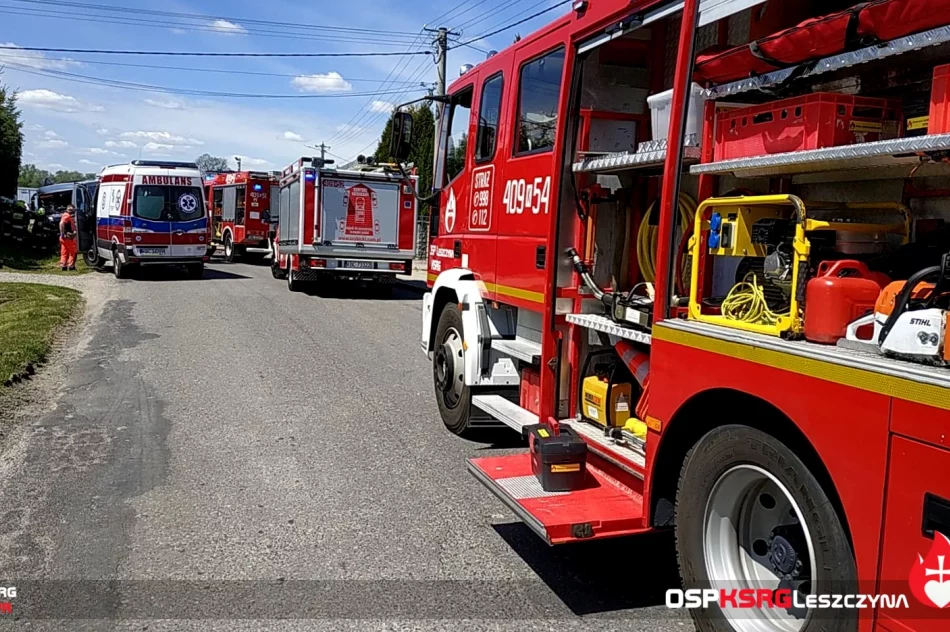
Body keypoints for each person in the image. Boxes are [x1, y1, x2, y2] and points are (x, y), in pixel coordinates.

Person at [59, 204, 78, 271]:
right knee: (72, 252)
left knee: (64, 252)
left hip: (64, 238)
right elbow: (61, 223)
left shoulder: (65, 215)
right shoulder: (67, 215)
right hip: (68, 237)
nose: (71, 211)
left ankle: (63, 265)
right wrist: (62, 233)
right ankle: (71, 266)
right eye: (70, 210)